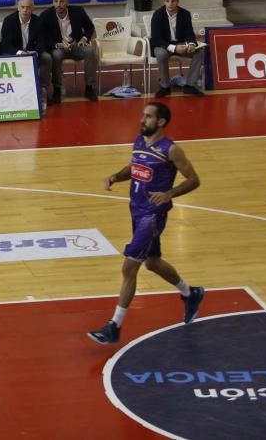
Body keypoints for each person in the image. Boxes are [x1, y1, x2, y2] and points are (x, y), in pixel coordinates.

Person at [87, 102, 204, 345]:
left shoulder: (171, 150)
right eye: (143, 115)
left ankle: (114, 326)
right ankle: (190, 293)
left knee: (129, 268)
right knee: (152, 262)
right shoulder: (140, 141)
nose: (142, 120)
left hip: (152, 215)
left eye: (148, 117)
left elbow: (194, 180)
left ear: (161, 122)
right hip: (136, 209)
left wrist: (170, 193)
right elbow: (134, 167)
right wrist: (116, 177)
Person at [42, 0, 98, 103]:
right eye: (56, 1)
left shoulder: (78, 11)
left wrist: (84, 39)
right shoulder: (46, 15)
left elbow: (90, 27)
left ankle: (89, 88)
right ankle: (57, 89)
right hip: (59, 47)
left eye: (62, 1)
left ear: (68, 2)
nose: (58, 5)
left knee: (90, 51)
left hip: (76, 45)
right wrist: (58, 45)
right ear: (52, 2)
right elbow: (44, 38)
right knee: (56, 55)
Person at [149, 0, 205, 98]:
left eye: (173, 1)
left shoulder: (185, 14)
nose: (170, 4)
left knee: (199, 52)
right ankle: (165, 86)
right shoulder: (157, 15)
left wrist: (192, 44)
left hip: (180, 43)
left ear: (178, 1)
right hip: (163, 45)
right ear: (164, 2)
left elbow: (189, 33)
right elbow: (156, 39)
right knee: (161, 54)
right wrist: (174, 48)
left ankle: (190, 85)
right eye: (167, 1)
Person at [0, 0, 51, 99]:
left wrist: (35, 53)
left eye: (28, 7)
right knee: (5, 57)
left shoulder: (39, 21)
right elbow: (5, 44)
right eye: (22, 7)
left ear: (32, 8)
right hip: (14, 52)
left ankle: (43, 89)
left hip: (31, 52)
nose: (25, 10)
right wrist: (20, 53)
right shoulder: (9, 20)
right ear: (18, 7)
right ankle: (10, 92)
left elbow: (42, 42)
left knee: (46, 57)